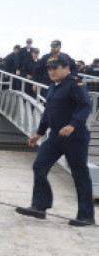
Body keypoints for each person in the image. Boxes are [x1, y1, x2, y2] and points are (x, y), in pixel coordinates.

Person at [15, 53, 94, 227]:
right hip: (55, 137)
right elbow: (49, 112)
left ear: (66, 68)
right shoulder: (52, 87)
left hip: (76, 137)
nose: (51, 71)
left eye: (55, 68)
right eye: (49, 69)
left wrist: (73, 125)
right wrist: (39, 133)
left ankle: (86, 216)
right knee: (39, 166)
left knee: (80, 174)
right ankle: (39, 206)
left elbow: (85, 106)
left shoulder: (75, 84)